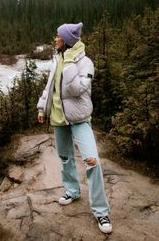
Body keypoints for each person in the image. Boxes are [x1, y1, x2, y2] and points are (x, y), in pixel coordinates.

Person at [37, 22, 112, 235]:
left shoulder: (85, 63)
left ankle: (101, 212)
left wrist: (69, 65)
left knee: (92, 162)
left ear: (67, 41)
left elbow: (77, 89)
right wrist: (42, 108)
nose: (55, 39)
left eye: (58, 36)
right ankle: (72, 191)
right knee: (65, 159)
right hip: (59, 120)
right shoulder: (57, 60)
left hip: (79, 120)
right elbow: (50, 87)